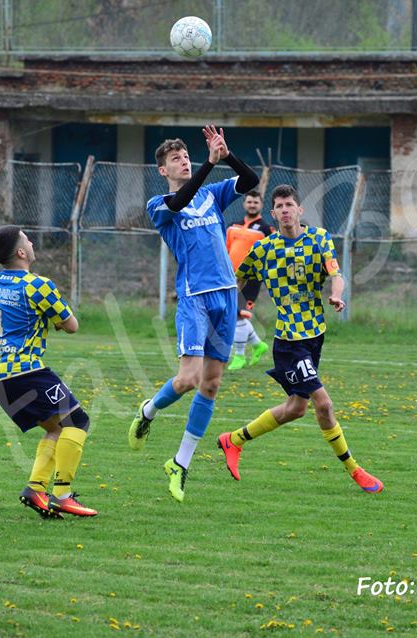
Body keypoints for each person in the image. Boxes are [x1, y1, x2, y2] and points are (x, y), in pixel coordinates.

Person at [217, 184, 383, 493]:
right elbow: (236, 281)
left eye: (289, 204)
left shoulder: (319, 239)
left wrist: (336, 296)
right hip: (289, 342)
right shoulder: (264, 249)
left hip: (314, 336)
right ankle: (355, 470)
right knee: (324, 405)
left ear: (299, 209)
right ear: (273, 213)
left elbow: (336, 274)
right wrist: (221, 310)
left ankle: (233, 439)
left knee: (296, 408)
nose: (284, 210)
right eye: (279, 206)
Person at [128, 124, 259, 502]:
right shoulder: (159, 205)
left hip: (225, 297)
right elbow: (180, 202)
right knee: (187, 379)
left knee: (211, 384)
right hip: (194, 299)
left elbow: (248, 179)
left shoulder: (212, 195)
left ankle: (180, 463)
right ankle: (149, 411)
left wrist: (226, 154)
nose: (183, 162)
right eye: (176, 159)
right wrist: (207, 163)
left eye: (186, 156)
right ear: (163, 170)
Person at [0, 225, 97, 519]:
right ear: (21, 252)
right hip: (26, 371)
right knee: (78, 420)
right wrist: (52, 319)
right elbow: (72, 325)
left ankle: (35, 489)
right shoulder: (38, 285)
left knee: (56, 428)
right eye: (27, 240)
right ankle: (62, 494)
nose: (32, 242)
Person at [225, 190, 272, 371]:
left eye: (256, 202)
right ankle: (258, 345)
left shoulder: (266, 229)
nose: (252, 205)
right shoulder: (233, 226)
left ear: (261, 205)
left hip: (251, 277)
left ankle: (239, 356)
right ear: (244, 204)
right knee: (235, 315)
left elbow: (270, 253)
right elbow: (227, 249)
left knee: (238, 316)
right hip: (230, 277)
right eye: (250, 202)